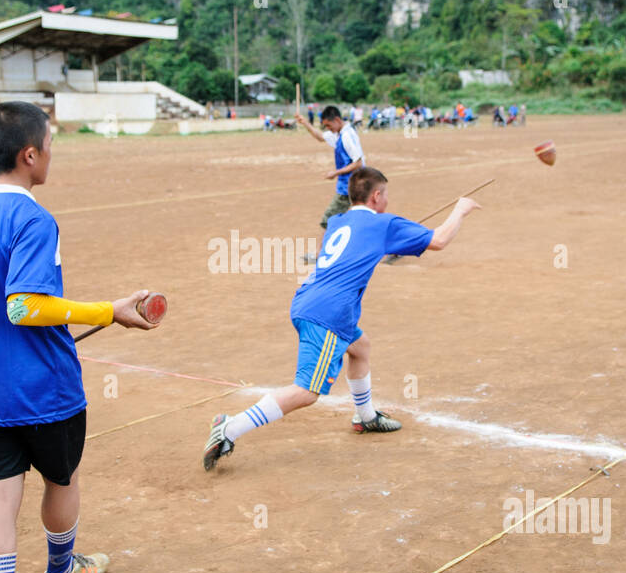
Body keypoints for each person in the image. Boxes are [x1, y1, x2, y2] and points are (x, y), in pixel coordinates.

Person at [0, 101, 156, 573]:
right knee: (61, 478)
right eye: (50, 146)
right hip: (41, 387)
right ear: (30, 154)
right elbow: (23, 304)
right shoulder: (34, 218)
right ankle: (61, 569)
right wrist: (107, 311)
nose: (53, 155)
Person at [202, 167, 480, 470]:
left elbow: (345, 252)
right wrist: (460, 210)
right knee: (307, 392)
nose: (388, 199)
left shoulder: (338, 221)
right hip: (328, 312)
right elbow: (438, 240)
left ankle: (365, 416)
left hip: (312, 299)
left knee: (361, 348)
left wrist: (379, 250)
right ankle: (230, 428)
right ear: (376, 196)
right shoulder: (384, 223)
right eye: (386, 194)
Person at [296, 105, 365, 259]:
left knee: (329, 218)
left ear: (337, 120)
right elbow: (321, 137)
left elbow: (358, 162)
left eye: (328, 125)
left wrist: (336, 172)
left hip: (351, 186)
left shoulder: (347, 135)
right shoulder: (339, 133)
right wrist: (305, 123)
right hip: (353, 185)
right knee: (362, 218)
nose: (328, 129)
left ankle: (318, 254)